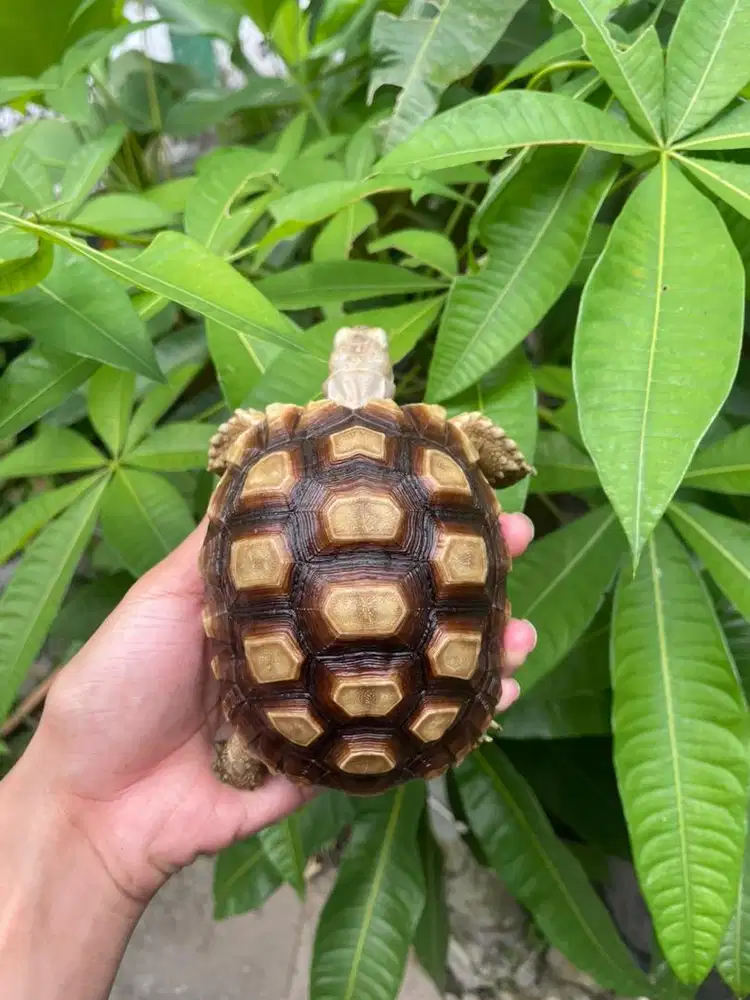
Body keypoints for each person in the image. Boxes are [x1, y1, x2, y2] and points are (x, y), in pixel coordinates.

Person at [0, 512, 536, 999]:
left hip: (294, 715)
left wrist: (79, 812)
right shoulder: (431, 457)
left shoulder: (268, 463)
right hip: (419, 719)